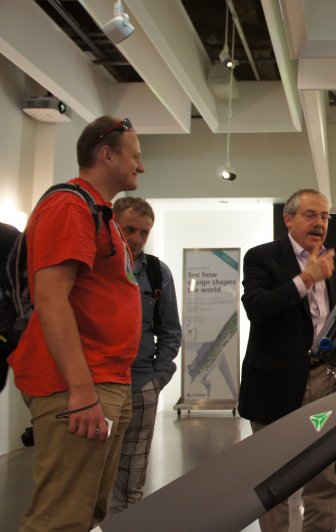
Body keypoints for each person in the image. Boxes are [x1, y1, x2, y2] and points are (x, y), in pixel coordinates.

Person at [7, 116, 143, 530]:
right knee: (60, 518)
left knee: (85, 512)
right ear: (106, 156)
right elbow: (51, 299)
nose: (141, 166)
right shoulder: (70, 205)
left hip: (106, 379)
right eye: (135, 156)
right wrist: (82, 392)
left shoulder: (102, 213)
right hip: (80, 385)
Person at [238, 188, 336, 531]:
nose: (320, 223)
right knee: (273, 481)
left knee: (323, 479)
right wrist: (306, 279)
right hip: (274, 385)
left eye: (325, 216)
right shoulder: (262, 257)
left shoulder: (334, 262)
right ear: (288, 219)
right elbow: (257, 308)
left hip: (324, 381)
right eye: (310, 215)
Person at [109, 197, 181, 513]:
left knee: (132, 476)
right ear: (113, 226)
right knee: (92, 473)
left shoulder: (156, 272)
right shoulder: (95, 266)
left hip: (141, 385)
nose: (137, 239)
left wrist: (158, 378)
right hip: (99, 387)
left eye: (144, 232)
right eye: (129, 230)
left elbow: (170, 329)